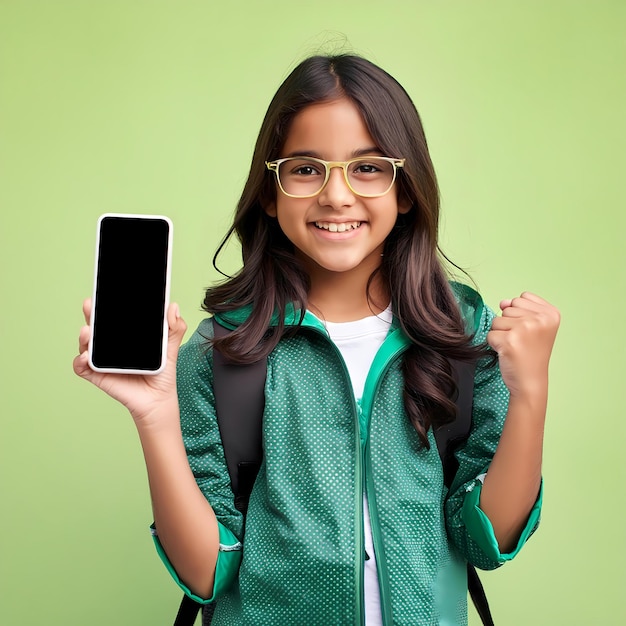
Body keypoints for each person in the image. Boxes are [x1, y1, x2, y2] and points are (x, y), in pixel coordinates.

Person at [74, 54, 560, 625]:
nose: (336, 195)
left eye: (368, 168)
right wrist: (155, 414)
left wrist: (531, 393)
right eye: (305, 169)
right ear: (269, 192)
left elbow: (487, 540)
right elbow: (206, 572)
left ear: (405, 190)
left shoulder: (460, 331)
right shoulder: (219, 350)